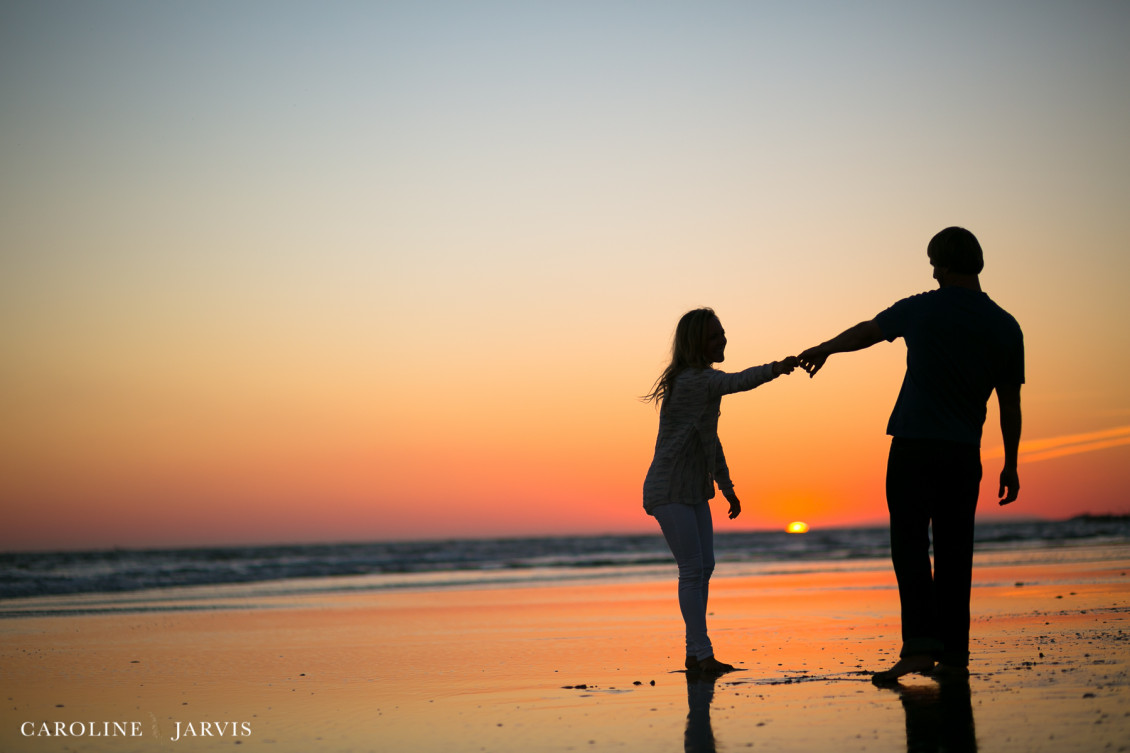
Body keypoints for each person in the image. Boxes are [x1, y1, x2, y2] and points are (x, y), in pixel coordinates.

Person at [797, 227, 1024, 682]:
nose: (933, 271)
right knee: (957, 551)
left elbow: (867, 332)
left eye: (934, 263)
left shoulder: (922, 307)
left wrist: (824, 348)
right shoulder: (1005, 324)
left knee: (910, 546)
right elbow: (1009, 404)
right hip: (964, 454)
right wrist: (1012, 464)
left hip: (914, 447)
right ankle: (954, 656)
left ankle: (920, 649)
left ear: (940, 265)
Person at [643, 307, 799, 674]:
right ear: (698, 343)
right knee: (692, 570)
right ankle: (702, 653)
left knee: (704, 567)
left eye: (723, 334)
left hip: (692, 489)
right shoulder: (695, 381)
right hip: (668, 489)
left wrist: (727, 487)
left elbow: (711, 441)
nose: (722, 340)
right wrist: (777, 367)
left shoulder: (701, 383)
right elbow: (739, 381)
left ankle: (695, 654)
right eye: (715, 337)